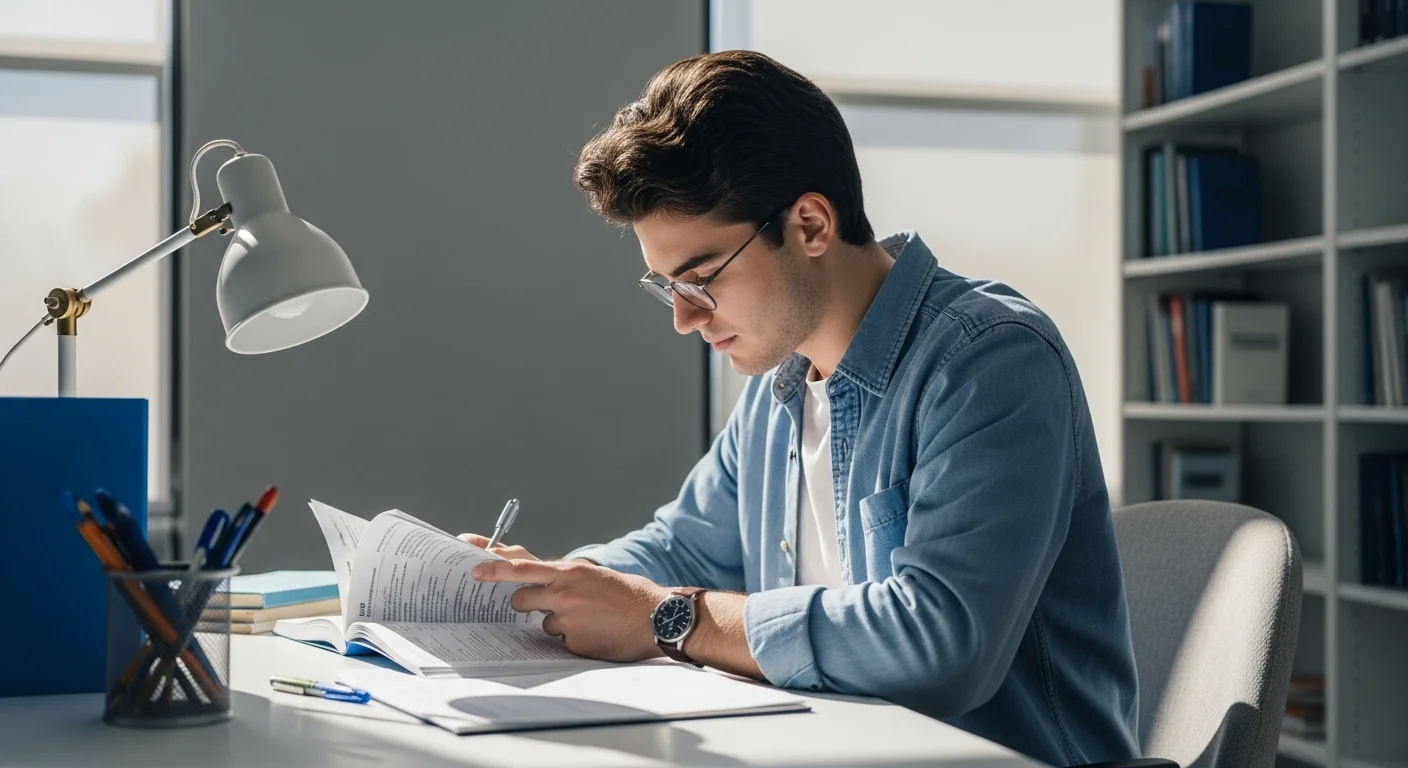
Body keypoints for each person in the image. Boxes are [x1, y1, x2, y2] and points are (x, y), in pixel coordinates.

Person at [460, 50, 1140, 766]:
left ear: (811, 225)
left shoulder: (991, 358)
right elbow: (682, 548)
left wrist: (667, 617)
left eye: (700, 279)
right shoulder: (778, 386)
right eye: (667, 288)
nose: (684, 321)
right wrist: (539, 587)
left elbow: (942, 644)